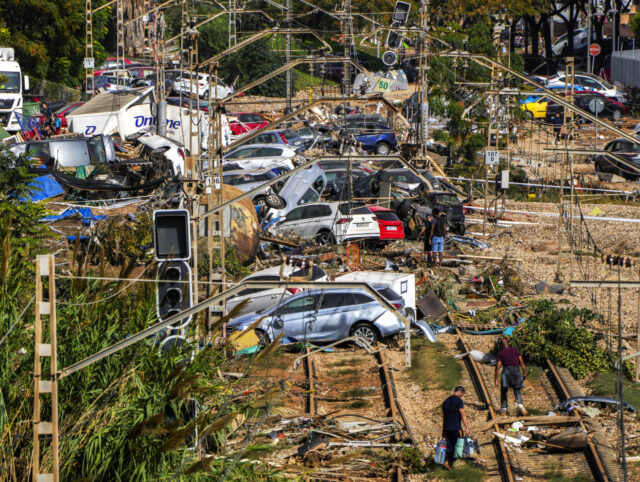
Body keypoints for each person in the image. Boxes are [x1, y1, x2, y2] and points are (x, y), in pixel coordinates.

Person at [495, 337, 528, 416]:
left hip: (506, 371)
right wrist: (524, 372)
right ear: (507, 343)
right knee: (517, 389)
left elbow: (498, 367)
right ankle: (520, 405)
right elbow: (521, 362)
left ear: (501, 345)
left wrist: (496, 379)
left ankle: (504, 409)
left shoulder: (501, 353)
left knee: (504, 390)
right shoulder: (515, 350)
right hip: (516, 371)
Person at [442, 386, 471, 469]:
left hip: (447, 428)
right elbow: (463, 414)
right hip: (456, 428)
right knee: (459, 445)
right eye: (462, 394)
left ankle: (447, 462)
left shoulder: (445, 402)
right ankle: (456, 464)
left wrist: (443, 430)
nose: (461, 395)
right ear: (459, 392)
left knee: (449, 446)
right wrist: (467, 427)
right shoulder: (459, 401)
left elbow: (444, 417)